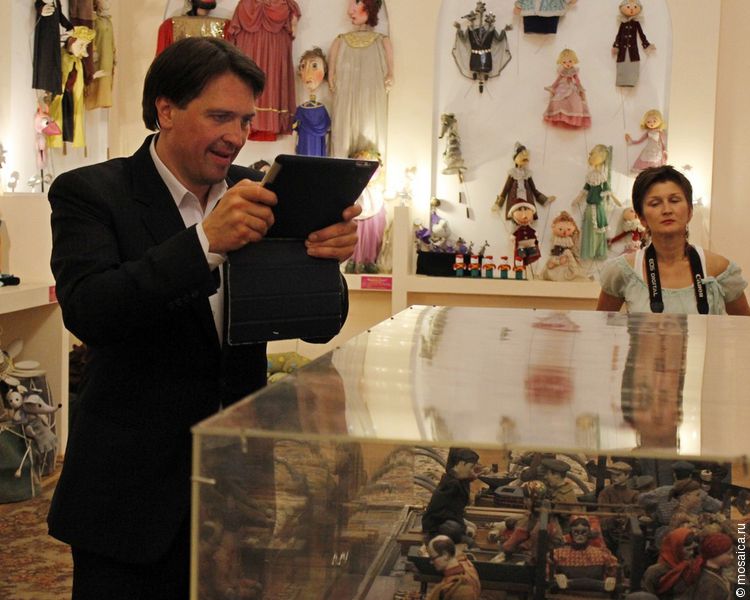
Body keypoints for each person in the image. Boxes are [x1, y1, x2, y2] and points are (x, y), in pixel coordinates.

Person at [46, 37, 360, 600]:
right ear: (166, 110)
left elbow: (321, 325)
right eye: (220, 116)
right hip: (129, 499)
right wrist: (202, 244)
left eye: (245, 120)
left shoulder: (259, 192)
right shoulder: (91, 193)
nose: (237, 136)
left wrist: (325, 262)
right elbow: (91, 310)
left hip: (239, 496)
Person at [597, 165, 750, 315]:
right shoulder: (622, 271)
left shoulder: (719, 269)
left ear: (690, 211)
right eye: (655, 203)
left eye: (675, 200)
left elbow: (745, 327)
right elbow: (601, 327)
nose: (667, 210)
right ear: (642, 218)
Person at [328, 0, 394, 158]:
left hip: (371, 100)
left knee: (370, 124)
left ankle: (370, 162)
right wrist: (331, 75)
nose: (350, 11)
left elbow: (390, 74)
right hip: (346, 102)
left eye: (356, 3)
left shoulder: (382, 41)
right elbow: (332, 77)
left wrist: (390, 74)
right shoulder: (340, 41)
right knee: (344, 127)